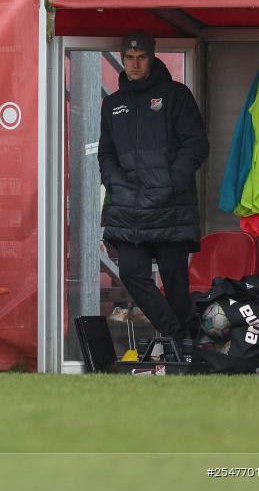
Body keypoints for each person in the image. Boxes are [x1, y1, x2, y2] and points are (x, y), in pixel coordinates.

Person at [98, 31, 209, 340]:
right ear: (122, 58)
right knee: (132, 274)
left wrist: (170, 183)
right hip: (129, 208)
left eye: (141, 57)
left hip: (170, 207)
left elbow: (197, 145)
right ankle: (178, 336)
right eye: (129, 58)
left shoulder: (176, 95)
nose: (135, 64)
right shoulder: (113, 104)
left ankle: (184, 350)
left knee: (175, 282)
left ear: (152, 57)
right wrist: (117, 185)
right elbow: (106, 154)